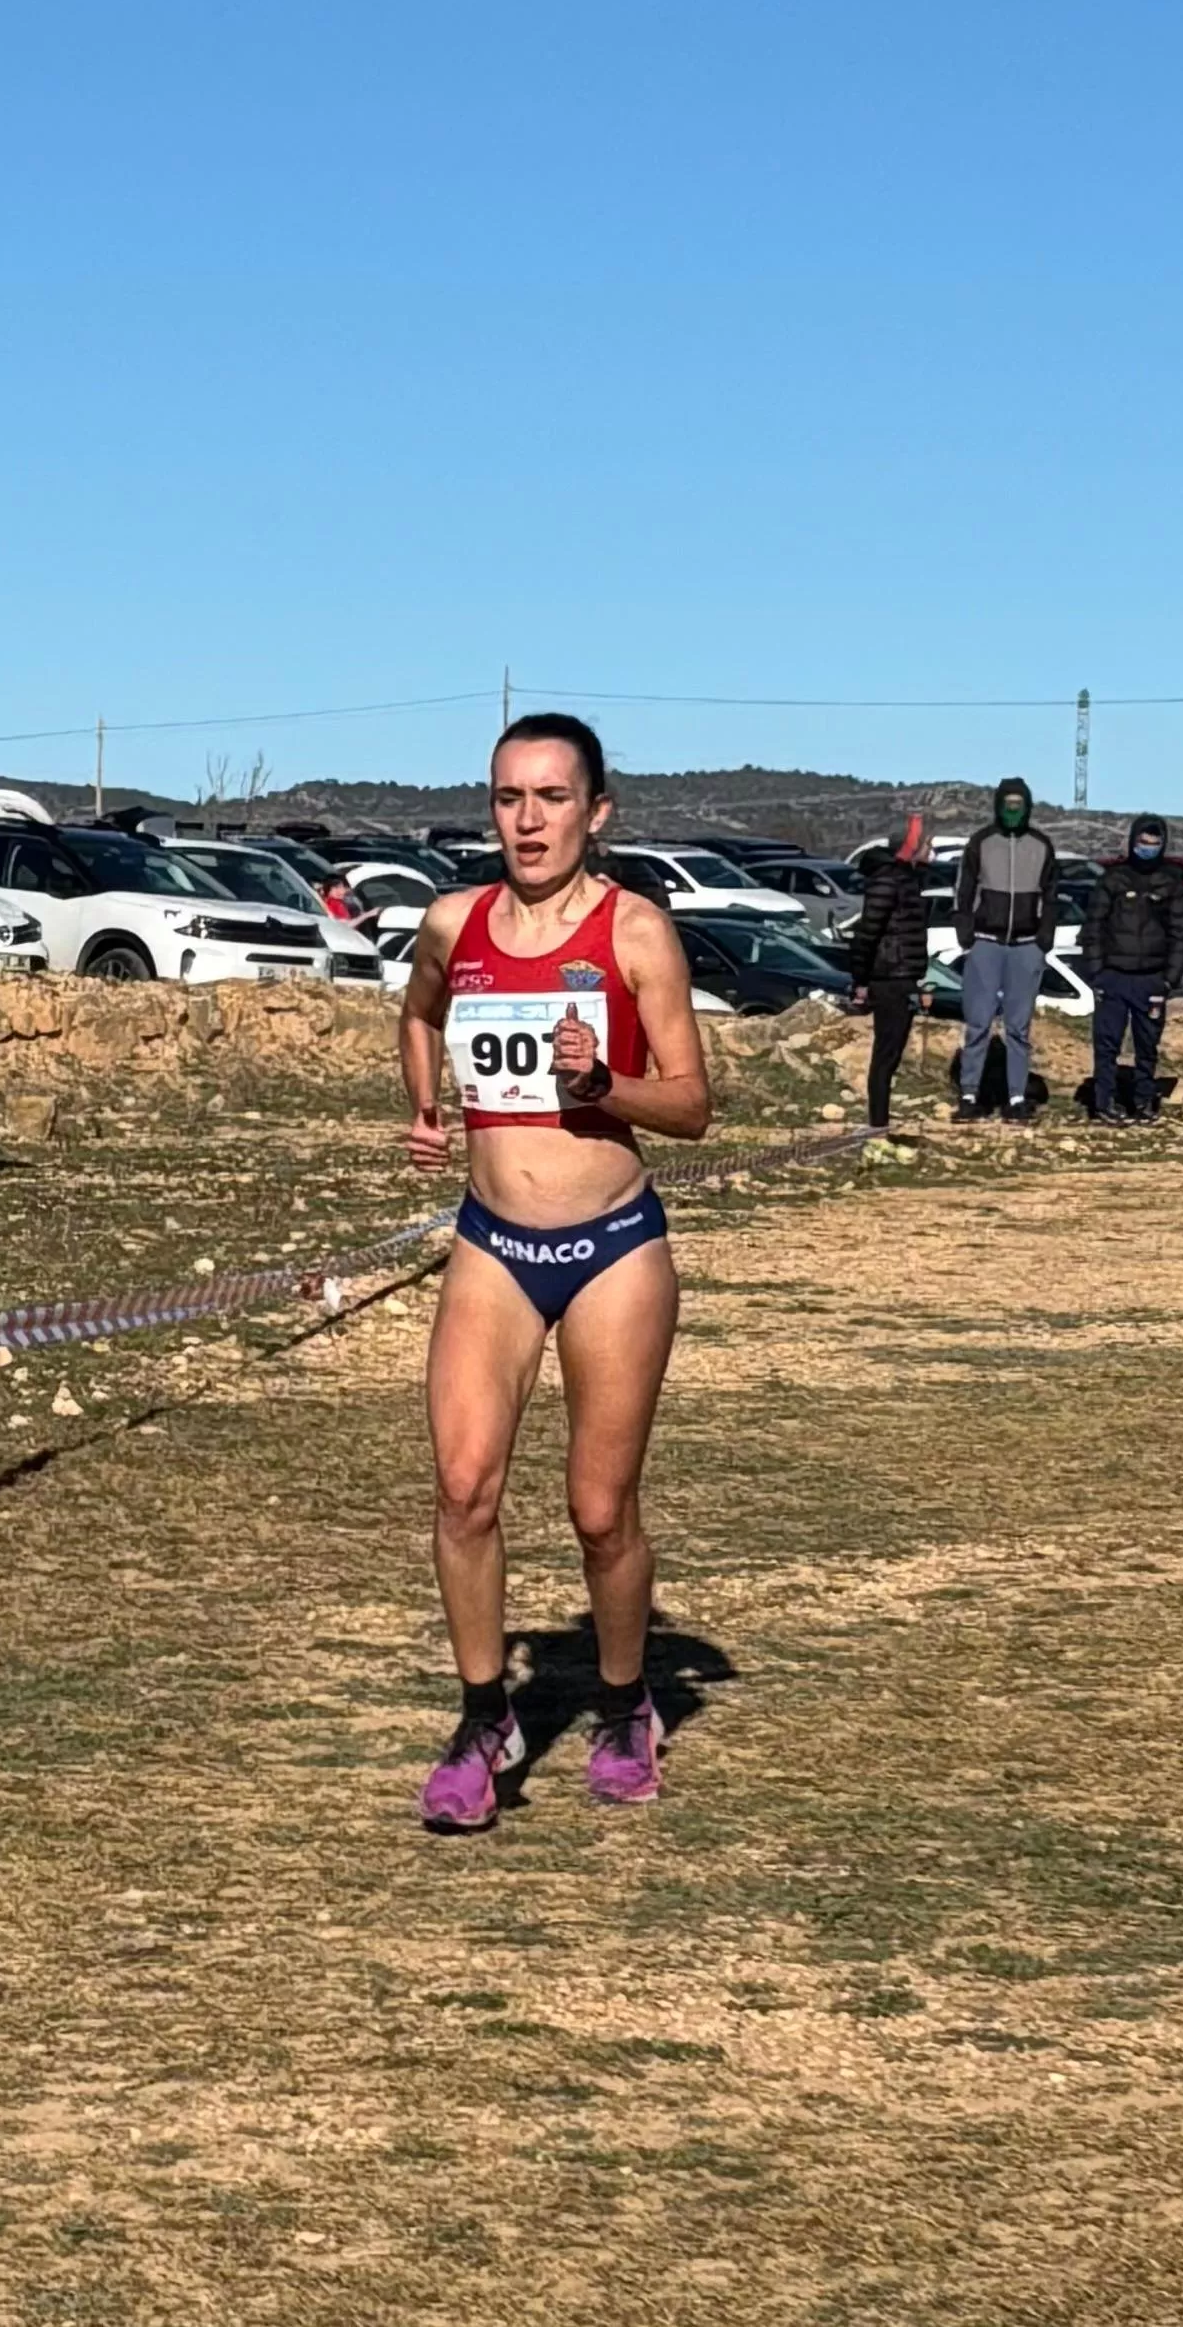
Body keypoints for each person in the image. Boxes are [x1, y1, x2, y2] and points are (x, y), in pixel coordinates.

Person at [399, 713, 710, 1832]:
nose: (526, 820)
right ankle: (487, 1718)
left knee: (597, 1507)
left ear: (596, 810)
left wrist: (604, 1086)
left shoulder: (637, 933)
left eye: (550, 797)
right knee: (463, 1485)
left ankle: (626, 1703)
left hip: (613, 1248)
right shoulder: (453, 922)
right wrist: (425, 1106)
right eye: (507, 798)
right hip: (493, 1239)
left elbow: (690, 1103)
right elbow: (420, 1011)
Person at [951, 777, 1059, 1124]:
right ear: (998, 804)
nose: (1013, 809)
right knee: (979, 1022)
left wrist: (1045, 939)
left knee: (1018, 1028)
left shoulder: (1042, 845)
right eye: (1007, 802)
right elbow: (964, 890)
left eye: (1019, 803)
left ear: (1028, 805)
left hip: (1027, 947)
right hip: (986, 943)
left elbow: (1052, 896)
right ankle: (970, 1095)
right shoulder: (981, 842)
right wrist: (964, 932)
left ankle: (1016, 1097)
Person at [1080, 814, 1183, 1125]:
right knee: (1107, 1043)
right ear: (1133, 842)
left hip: (1152, 979)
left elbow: (1181, 935)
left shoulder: (1171, 882)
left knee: (1147, 1045)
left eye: (1154, 844)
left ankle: (1143, 1102)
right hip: (1113, 977)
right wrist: (1096, 973)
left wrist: (1169, 979)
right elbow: (1093, 928)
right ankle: (1104, 1102)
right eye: (1143, 843)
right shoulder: (1112, 879)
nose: (1148, 848)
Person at [847, 814, 933, 1132]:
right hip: (890, 978)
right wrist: (861, 980)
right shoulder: (888, 881)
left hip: (903, 976)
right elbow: (868, 932)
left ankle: (879, 1122)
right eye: (927, 846)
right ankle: (877, 1124)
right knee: (885, 1055)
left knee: (891, 1054)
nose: (931, 853)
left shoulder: (906, 880)